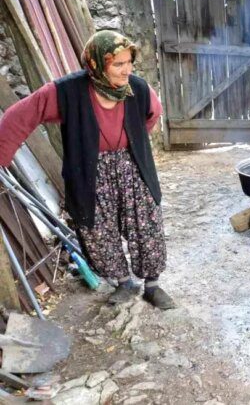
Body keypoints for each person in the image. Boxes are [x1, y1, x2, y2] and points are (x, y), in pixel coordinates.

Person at [0, 30, 175, 309]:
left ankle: (153, 285)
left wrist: (132, 143)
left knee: (146, 224)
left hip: (133, 164)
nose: (126, 69)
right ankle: (123, 282)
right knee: (96, 229)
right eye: (118, 64)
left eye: (129, 62)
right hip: (89, 170)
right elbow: (19, 117)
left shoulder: (138, 88)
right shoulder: (67, 92)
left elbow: (152, 115)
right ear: (95, 63)